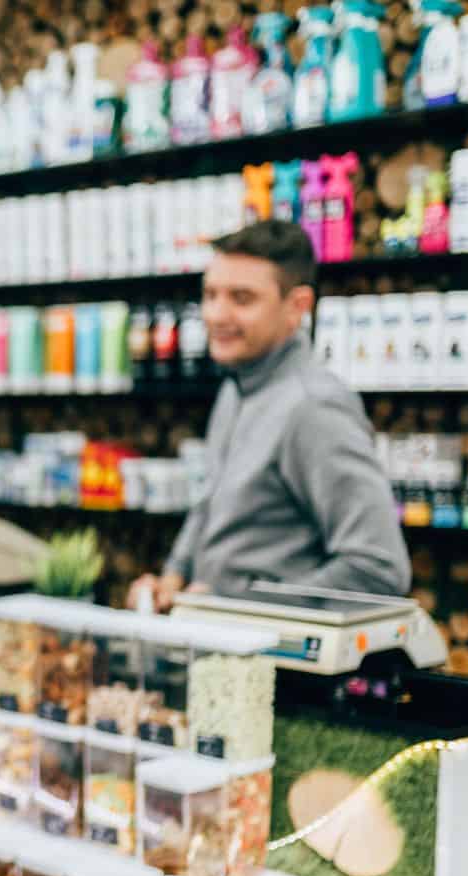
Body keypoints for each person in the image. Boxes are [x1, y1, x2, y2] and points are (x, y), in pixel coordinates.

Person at [128, 220, 409, 612]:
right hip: (225, 656)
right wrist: (173, 577)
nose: (216, 314)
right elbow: (211, 506)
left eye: (242, 298)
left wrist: (235, 607)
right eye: (210, 295)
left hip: (280, 667)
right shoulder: (235, 388)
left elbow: (378, 568)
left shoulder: (313, 408)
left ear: (297, 307)